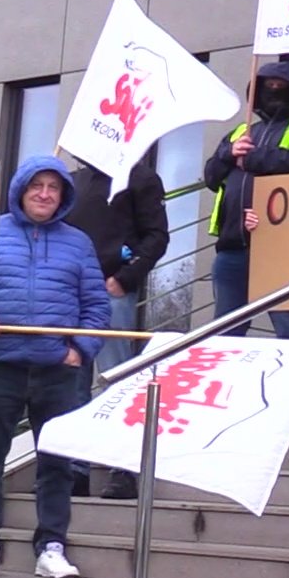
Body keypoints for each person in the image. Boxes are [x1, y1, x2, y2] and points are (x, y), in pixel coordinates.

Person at [0, 156, 112, 578]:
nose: (44, 194)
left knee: (57, 462)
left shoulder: (78, 242)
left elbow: (97, 306)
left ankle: (52, 547)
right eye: (36, 186)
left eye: (53, 187)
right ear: (20, 190)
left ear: (63, 196)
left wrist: (79, 349)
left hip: (57, 370)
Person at [64, 157, 170, 499]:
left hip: (111, 291)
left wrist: (126, 278)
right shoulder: (74, 181)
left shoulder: (140, 177)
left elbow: (157, 236)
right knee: (71, 383)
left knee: (117, 379)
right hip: (70, 292)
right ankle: (74, 470)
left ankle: (122, 470)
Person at [203, 60, 289, 339]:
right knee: (224, 335)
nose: (274, 90)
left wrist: (253, 159)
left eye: (281, 86)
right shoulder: (240, 132)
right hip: (233, 248)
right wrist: (228, 154)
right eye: (268, 86)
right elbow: (211, 177)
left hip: (283, 249)